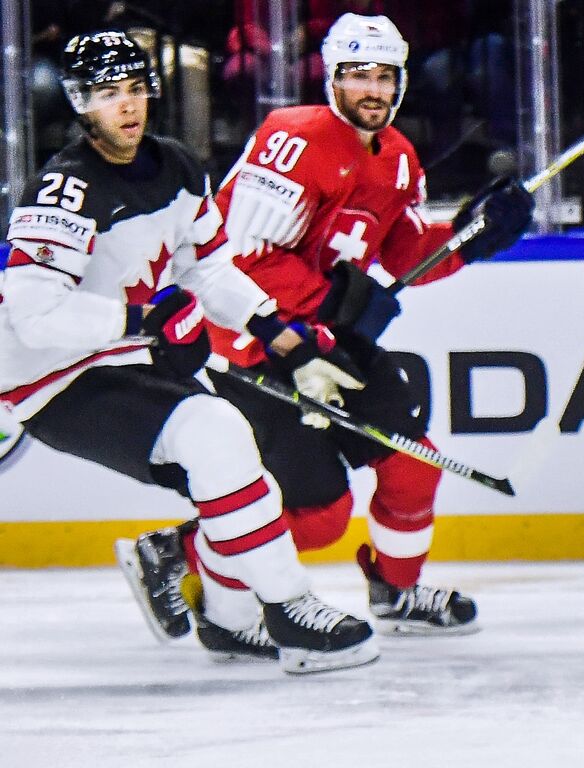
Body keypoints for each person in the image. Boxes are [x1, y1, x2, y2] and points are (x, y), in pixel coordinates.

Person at [116, 12, 533, 655]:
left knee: (411, 463)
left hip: (327, 337)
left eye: (384, 75)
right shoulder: (294, 136)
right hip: (251, 344)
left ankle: (396, 590)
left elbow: (401, 255)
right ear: (332, 79)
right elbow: (239, 258)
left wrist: (469, 238)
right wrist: (332, 305)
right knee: (318, 520)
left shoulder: (397, 154)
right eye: (357, 74)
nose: (373, 89)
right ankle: (179, 551)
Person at [0, 30, 377, 675]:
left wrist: (272, 328)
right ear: (80, 103)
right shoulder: (64, 191)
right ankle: (289, 606)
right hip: (48, 380)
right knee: (217, 432)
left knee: (229, 463)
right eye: (109, 94)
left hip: (121, 359)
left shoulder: (175, 165)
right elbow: (30, 314)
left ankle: (231, 623)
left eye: (136, 90)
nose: (128, 107)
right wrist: (142, 319)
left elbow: (208, 268)